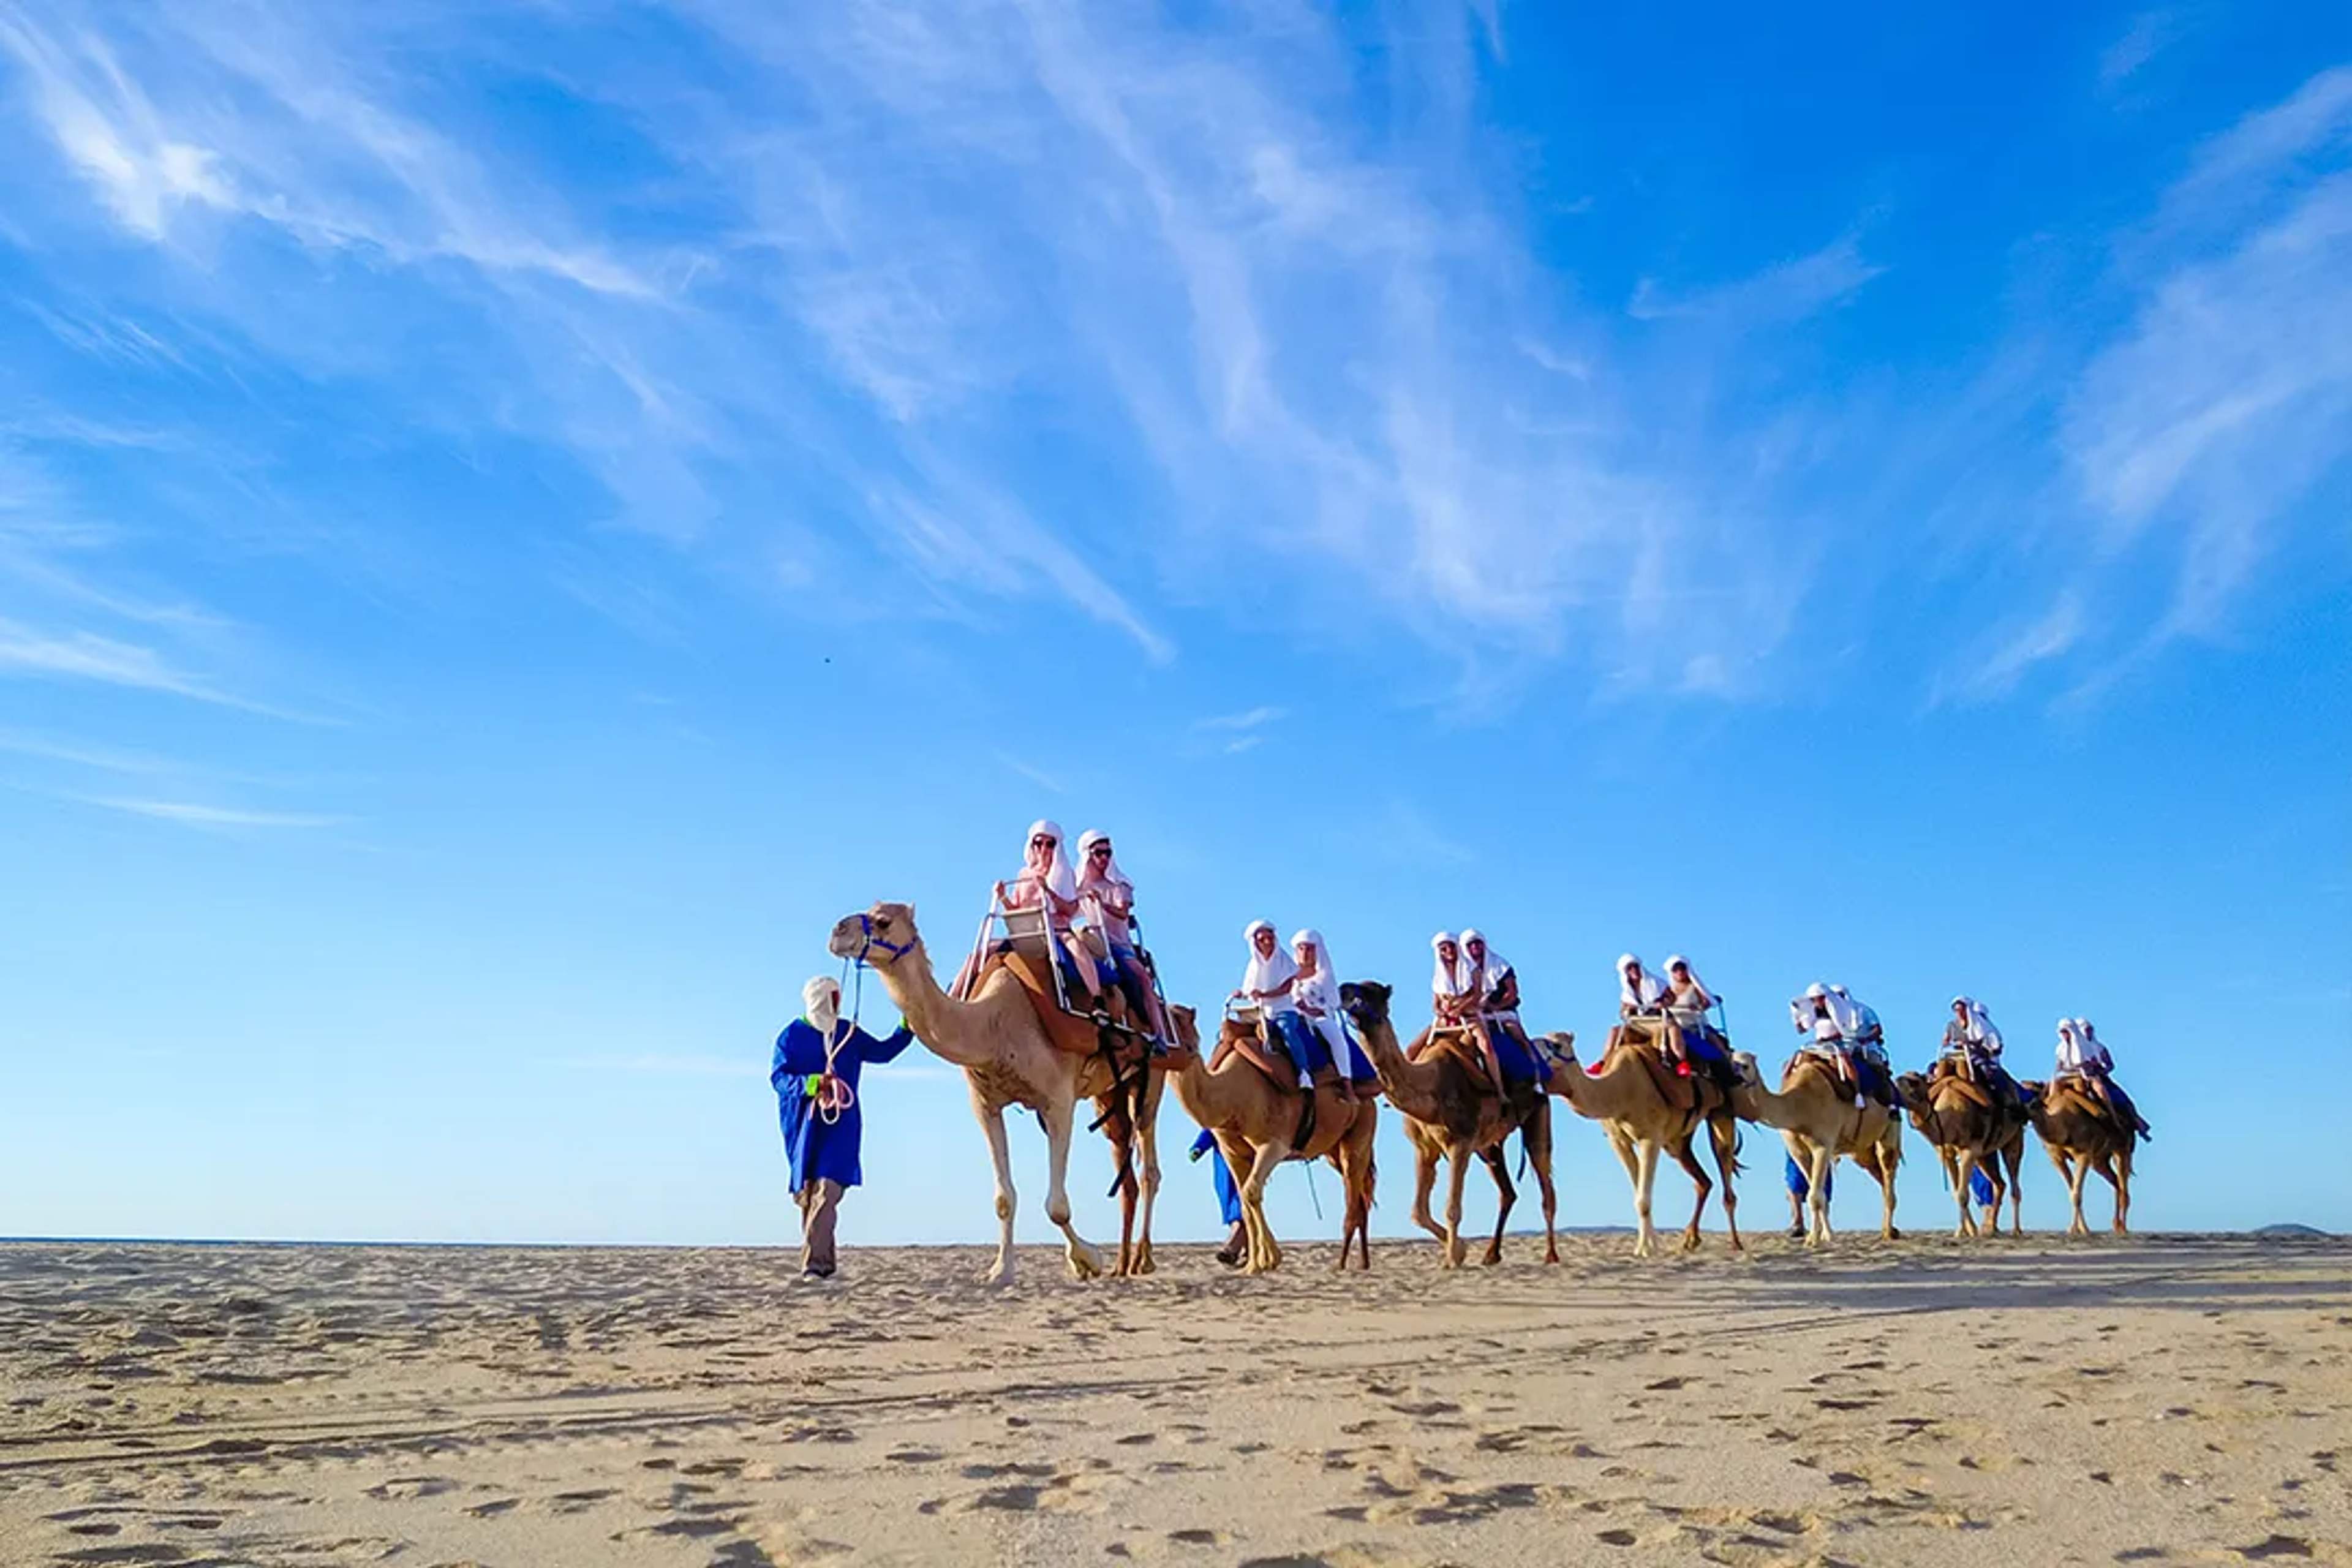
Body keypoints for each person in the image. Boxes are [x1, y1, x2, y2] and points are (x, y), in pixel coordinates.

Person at [771, 976, 916, 1280]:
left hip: (841, 1127)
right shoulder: (790, 1037)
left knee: (828, 1191)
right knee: (809, 1196)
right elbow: (779, 1079)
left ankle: (813, 1266)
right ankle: (825, 1266)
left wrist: (907, 1026)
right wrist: (812, 1084)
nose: (838, 1003)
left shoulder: (848, 1033)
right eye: (833, 997)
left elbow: (883, 1052)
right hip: (804, 1128)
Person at [987, 820, 1106, 1011]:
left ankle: (1098, 1000)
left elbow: (1070, 909)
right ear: (1032, 846)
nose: (1043, 849)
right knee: (982, 952)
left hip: (1058, 930)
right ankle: (957, 995)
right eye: (1038, 843)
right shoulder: (1024, 874)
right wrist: (1002, 897)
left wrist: (1048, 890)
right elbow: (1015, 909)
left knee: (1078, 950)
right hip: (1027, 933)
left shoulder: (1064, 873)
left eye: (1049, 844)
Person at [1074, 829, 1166, 1042]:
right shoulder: (1079, 886)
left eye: (1108, 853)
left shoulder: (1120, 885)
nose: (1104, 858)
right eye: (1099, 853)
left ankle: (1159, 1033)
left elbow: (1123, 912)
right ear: (1088, 855)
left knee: (1142, 979)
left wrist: (1101, 903)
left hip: (1119, 945)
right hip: (1094, 940)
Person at [1232, 919, 1323, 1090]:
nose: (1267, 943)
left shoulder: (1283, 960)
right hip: (1260, 1012)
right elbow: (1250, 989)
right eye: (1262, 940)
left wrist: (1264, 995)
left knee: (1288, 1031)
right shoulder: (1253, 966)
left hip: (1284, 1009)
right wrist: (1241, 993)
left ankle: (1304, 1073)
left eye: (1270, 938)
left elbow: (1287, 988)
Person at [1461, 928, 1550, 1091]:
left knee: (1518, 1036)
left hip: (1502, 1013)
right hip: (1474, 1016)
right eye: (1470, 945)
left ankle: (1536, 1076)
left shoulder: (1500, 965)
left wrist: (1495, 1007)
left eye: (1478, 943)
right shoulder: (1461, 971)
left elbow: (1512, 993)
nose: (1475, 948)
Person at [1292, 929, 1378, 1098]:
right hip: (1291, 1017)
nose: (1305, 953)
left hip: (1319, 1019)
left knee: (1337, 1040)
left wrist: (1310, 1009)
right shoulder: (1287, 975)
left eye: (1310, 949)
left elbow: (1332, 1003)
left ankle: (1346, 1082)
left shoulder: (1324, 976)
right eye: (1301, 949)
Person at [2059, 1017, 2152, 1140]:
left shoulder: (2095, 1047)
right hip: (2071, 1077)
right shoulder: (2061, 1049)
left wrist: (2099, 1069)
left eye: (2090, 1029)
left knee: (2110, 1094)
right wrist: (2074, 1068)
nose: (2089, 1032)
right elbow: (2061, 1067)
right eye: (2063, 1032)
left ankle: (2121, 1120)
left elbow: (2109, 1064)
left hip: (2093, 1076)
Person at [1660, 954, 1736, 1087]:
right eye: (1675, 970)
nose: (1679, 972)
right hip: (1675, 1026)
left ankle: (1727, 1070)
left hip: (1695, 1025)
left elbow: (1707, 1001)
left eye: (1682, 968)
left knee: (1713, 1044)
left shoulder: (1694, 986)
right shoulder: (1668, 991)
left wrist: (1699, 1007)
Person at [1790, 982, 1868, 1109]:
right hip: (1819, 1046)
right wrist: (1797, 1017)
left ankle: (1858, 1094)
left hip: (1837, 1044)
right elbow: (1802, 1030)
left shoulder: (1839, 1012)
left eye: (1819, 998)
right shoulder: (1815, 1013)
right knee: (1797, 1059)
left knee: (1846, 1061)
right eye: (1813, 1000)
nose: (1817, 1002)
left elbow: (1844, 1030)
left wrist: (1829, 1039)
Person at [1940, 995, 2020, 1106]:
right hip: (1956, 1055)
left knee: (1987, 1071)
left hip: (1976, 1055)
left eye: (1961, 1010)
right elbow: (1945, 1040)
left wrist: (1971, 1044)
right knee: (1935, 1068)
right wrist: (1949, 1043)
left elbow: (1989, 1042)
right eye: (1956, 1010)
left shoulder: (1978, 1025)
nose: (1959, 1013)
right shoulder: (1952, 1025)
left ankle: (2000, 1099)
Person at [1189, 1128, 1246, 1266]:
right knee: (1232, 1206)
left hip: (1245, 1163)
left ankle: (1232, 1248)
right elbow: (1211, 1129)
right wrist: (1198, 1147)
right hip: (1225, 1166)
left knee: (1241, 1209)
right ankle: (1246, 1250)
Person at [1610, 953, 1669, 1054]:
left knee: (1671, 1031)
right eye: (1630, 968)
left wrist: (1663, 1003)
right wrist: (1628, 1010)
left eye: (1636, 966)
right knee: (1615, 1031)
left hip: (1658, 1021)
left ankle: (1680, 1059)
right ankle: (1606, 1059)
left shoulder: (1656, 983)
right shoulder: (1627, 993)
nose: (1634, 970)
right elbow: (1622, 1012)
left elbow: (1671, 998)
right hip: (1638, 1023)